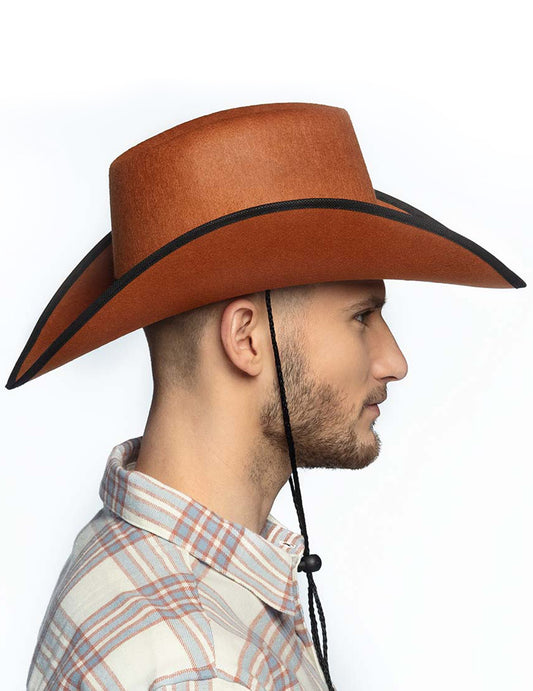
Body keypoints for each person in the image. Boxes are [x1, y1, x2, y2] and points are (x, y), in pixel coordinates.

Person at [9, 102, 525, 690]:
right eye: (362, 317)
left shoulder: (128, 553)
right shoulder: (201, 665)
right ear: (247, 339)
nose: (394, 362)